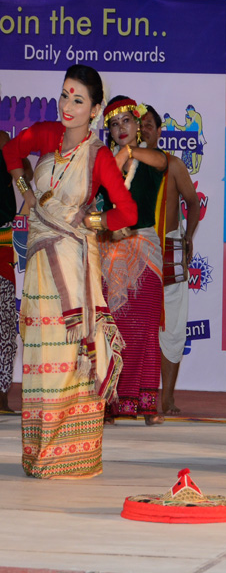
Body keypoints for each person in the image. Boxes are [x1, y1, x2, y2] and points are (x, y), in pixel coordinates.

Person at [2, 64, 137, 478]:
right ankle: (40, 455)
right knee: (41, 357)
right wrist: (25, 195)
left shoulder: (98, 157)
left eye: (78, 100)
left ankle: (71, 456)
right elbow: (10, 151)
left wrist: (89, 223)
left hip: (74, 265)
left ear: (94, 109)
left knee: (70, 357)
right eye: (64, 95)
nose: (67, 105)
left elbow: (127, 213)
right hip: (41, 267)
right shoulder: (47, 135)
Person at [98, 96, 168, 426]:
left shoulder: (148, 159)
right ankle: (110, 404)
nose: (120, 129)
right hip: (111, 251)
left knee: (144, 331)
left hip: (146, 251)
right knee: (112, 330)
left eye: (126, 121)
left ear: (138, 124)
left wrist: (128, 152)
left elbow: (162, 162)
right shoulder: (102, 163)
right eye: (114, 124)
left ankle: (146, 404)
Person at [142, 105, 201, 416]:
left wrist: (188, 235)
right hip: (135, 254)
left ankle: (166, 399)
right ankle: (131, 395)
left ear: (159, 130)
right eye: (139, 125)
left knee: (174, 327)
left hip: (169, 251)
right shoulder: (126, 166)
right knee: (134, 326)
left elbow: (192, 202)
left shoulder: (174, 166)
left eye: (149, 124)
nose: (143, 130)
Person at [0, 130, 29, 414]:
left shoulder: (4, 141)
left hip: (1, 242)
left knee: (6, 326)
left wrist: (25, 191)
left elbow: (23, 172)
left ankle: (1, 395)